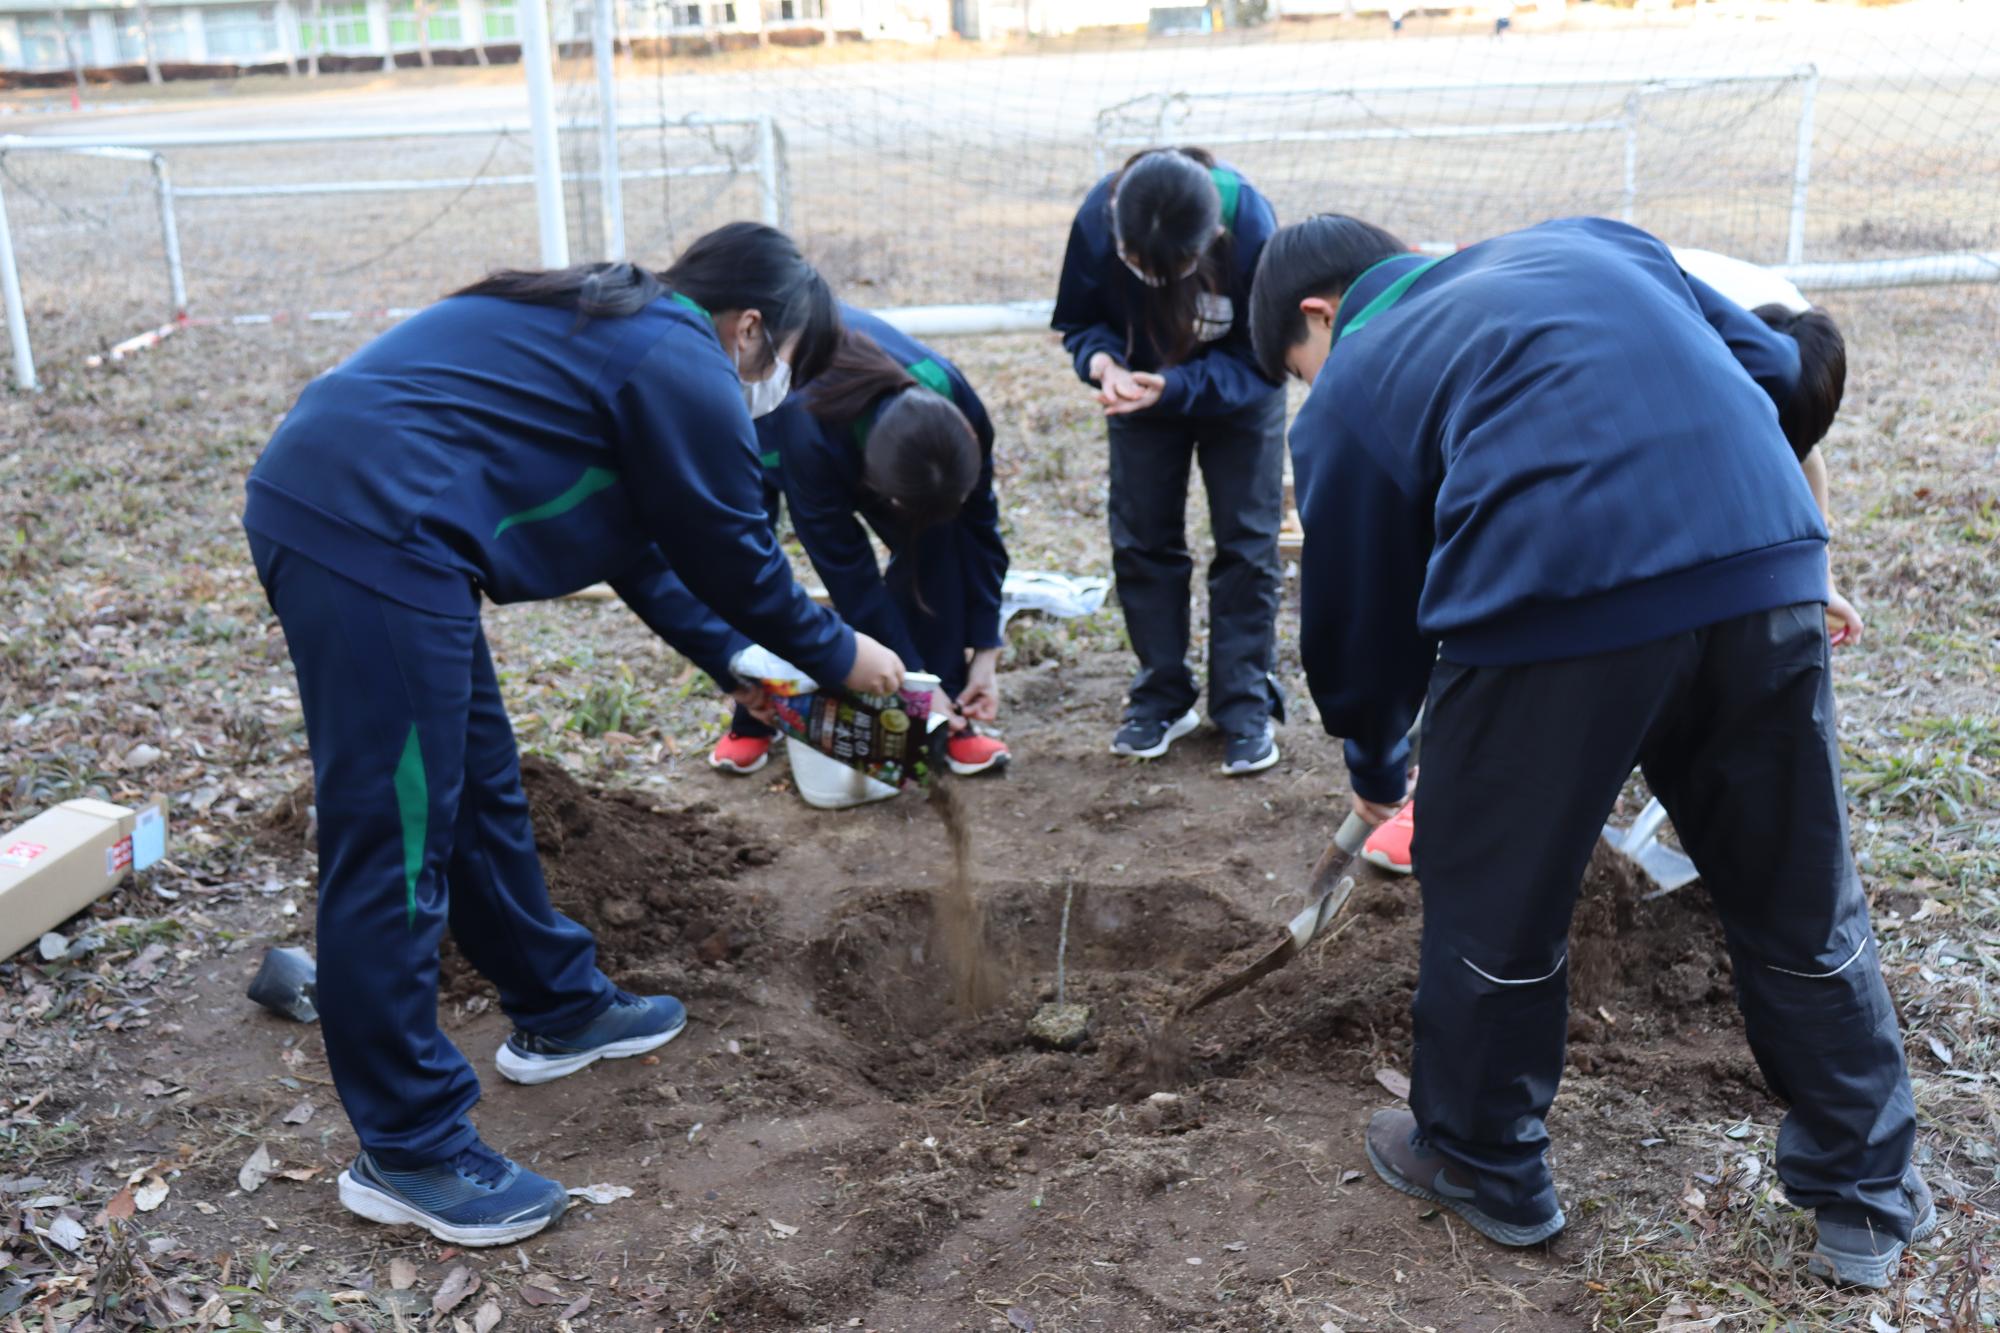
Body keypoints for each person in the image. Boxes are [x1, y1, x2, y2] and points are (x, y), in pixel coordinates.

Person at [1249, 213, 1927, 1286]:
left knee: (1492, 894)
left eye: (1298, 367)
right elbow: (1782, 370)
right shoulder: (1596, 243)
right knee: (1795, 888)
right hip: (1761, 573)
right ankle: (1864, 1188)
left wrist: (1376, 763)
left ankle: (1479, 1155)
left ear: (1317, 315)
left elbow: (1356, 616)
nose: (1311, 386)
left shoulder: (1353, 380)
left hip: (1553, 612)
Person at [242, 224, 905, 1247]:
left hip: (400, 535)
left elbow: (648, 554)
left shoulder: (627, 336)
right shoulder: (677, 360)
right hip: (365, 526)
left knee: (479, 780)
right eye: (786, 362)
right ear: (749, 328)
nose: (778, 388)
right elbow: (738, 563)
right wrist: (842, 656)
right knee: (400, 829)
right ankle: (409, 1148)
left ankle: (556, 1005)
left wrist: (745, 667)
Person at [1357, 246, 1866, 876]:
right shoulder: (1674, 320)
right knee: (1507, 598)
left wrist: (1816, 576)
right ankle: (1436, 785)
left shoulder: (1798, 344)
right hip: (1545, 396)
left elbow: (1799, 457)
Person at [1053, 146, 1288, 775]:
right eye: (1135, 264)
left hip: (1239, 399)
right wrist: (1102, 365)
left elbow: (1264, 355)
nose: (1153, 279)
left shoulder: (1250, 226)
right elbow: (1080, 321)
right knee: (1142, 540)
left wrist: (1179, 386)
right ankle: (1162, 693)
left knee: (1246, 543)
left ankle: (1243, 702)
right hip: (1138, 398)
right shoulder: (1099, 218)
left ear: (1211, 239)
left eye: (1174, 268)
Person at [708, 306, 1013, 779]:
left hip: (873, 445)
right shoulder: (806, 433)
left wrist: (987, 652)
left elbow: (982, 535)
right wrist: (907, 677)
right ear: (877, 489)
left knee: (941, 546)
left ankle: (944, 709)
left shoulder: (956, 405)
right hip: (760, 427)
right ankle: (756, 714)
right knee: (749, 565)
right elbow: (851, 576)